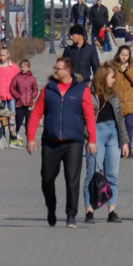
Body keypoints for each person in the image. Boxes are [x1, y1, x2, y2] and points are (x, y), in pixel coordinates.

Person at [25, 56, 96, 227]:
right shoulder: (47, 90)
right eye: (54, 68)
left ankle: (71, 215)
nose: (54, 71)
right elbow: (36, 114)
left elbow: (89, 116)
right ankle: (51, 206)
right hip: (51, 141)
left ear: (67, 71)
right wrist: (30, 137)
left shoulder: (81, 90)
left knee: (72, 180)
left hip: (74, 142)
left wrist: (92, 140)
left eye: (58, 68)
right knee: (47, 178)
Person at [84, 63, 131, 223]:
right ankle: (89, 210)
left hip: (113, 134)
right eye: (112, 77)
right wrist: (88, 137)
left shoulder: (113, 96)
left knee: (112, 175)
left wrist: (124, 142)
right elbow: (83, 118)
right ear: (104, 78)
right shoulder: (88, 94)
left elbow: (120, 120)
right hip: (96, 133)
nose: (114, 80)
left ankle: (112, 211)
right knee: (93, 174)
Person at [105, 43, 133, 147]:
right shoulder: (112, 67)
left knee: (129, 125)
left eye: (126, 55)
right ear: (118, 54)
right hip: (116, 101)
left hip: (129, 101)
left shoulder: (132, 67)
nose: (124, 57)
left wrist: (126, 71)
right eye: (122, 54)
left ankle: (128, 147)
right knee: (118, 126)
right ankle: (119, 147)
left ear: (129, 56)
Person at [8, 59, 38, 146]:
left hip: (29, 104)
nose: (23, 68)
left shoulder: (32, 78)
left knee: (29, 123)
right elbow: (11, 88)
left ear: (29, 67)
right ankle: (15, 136)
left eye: (25, 66)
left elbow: (35, 88)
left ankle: (29, 138)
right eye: (22, 66)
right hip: (19, 104)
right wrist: (17, 96)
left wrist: (33, 95)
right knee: (18, 121)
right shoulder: (17, 78)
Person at [0, 50, 20, 117]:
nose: (2, 57)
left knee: (12, 115)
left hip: (12, 96)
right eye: (0, 55)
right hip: (0, 96)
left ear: (8, 55)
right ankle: (2, 127)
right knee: (1, 116)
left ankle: (12, 127)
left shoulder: (14, 67)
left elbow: (18, 80)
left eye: (4, 55)